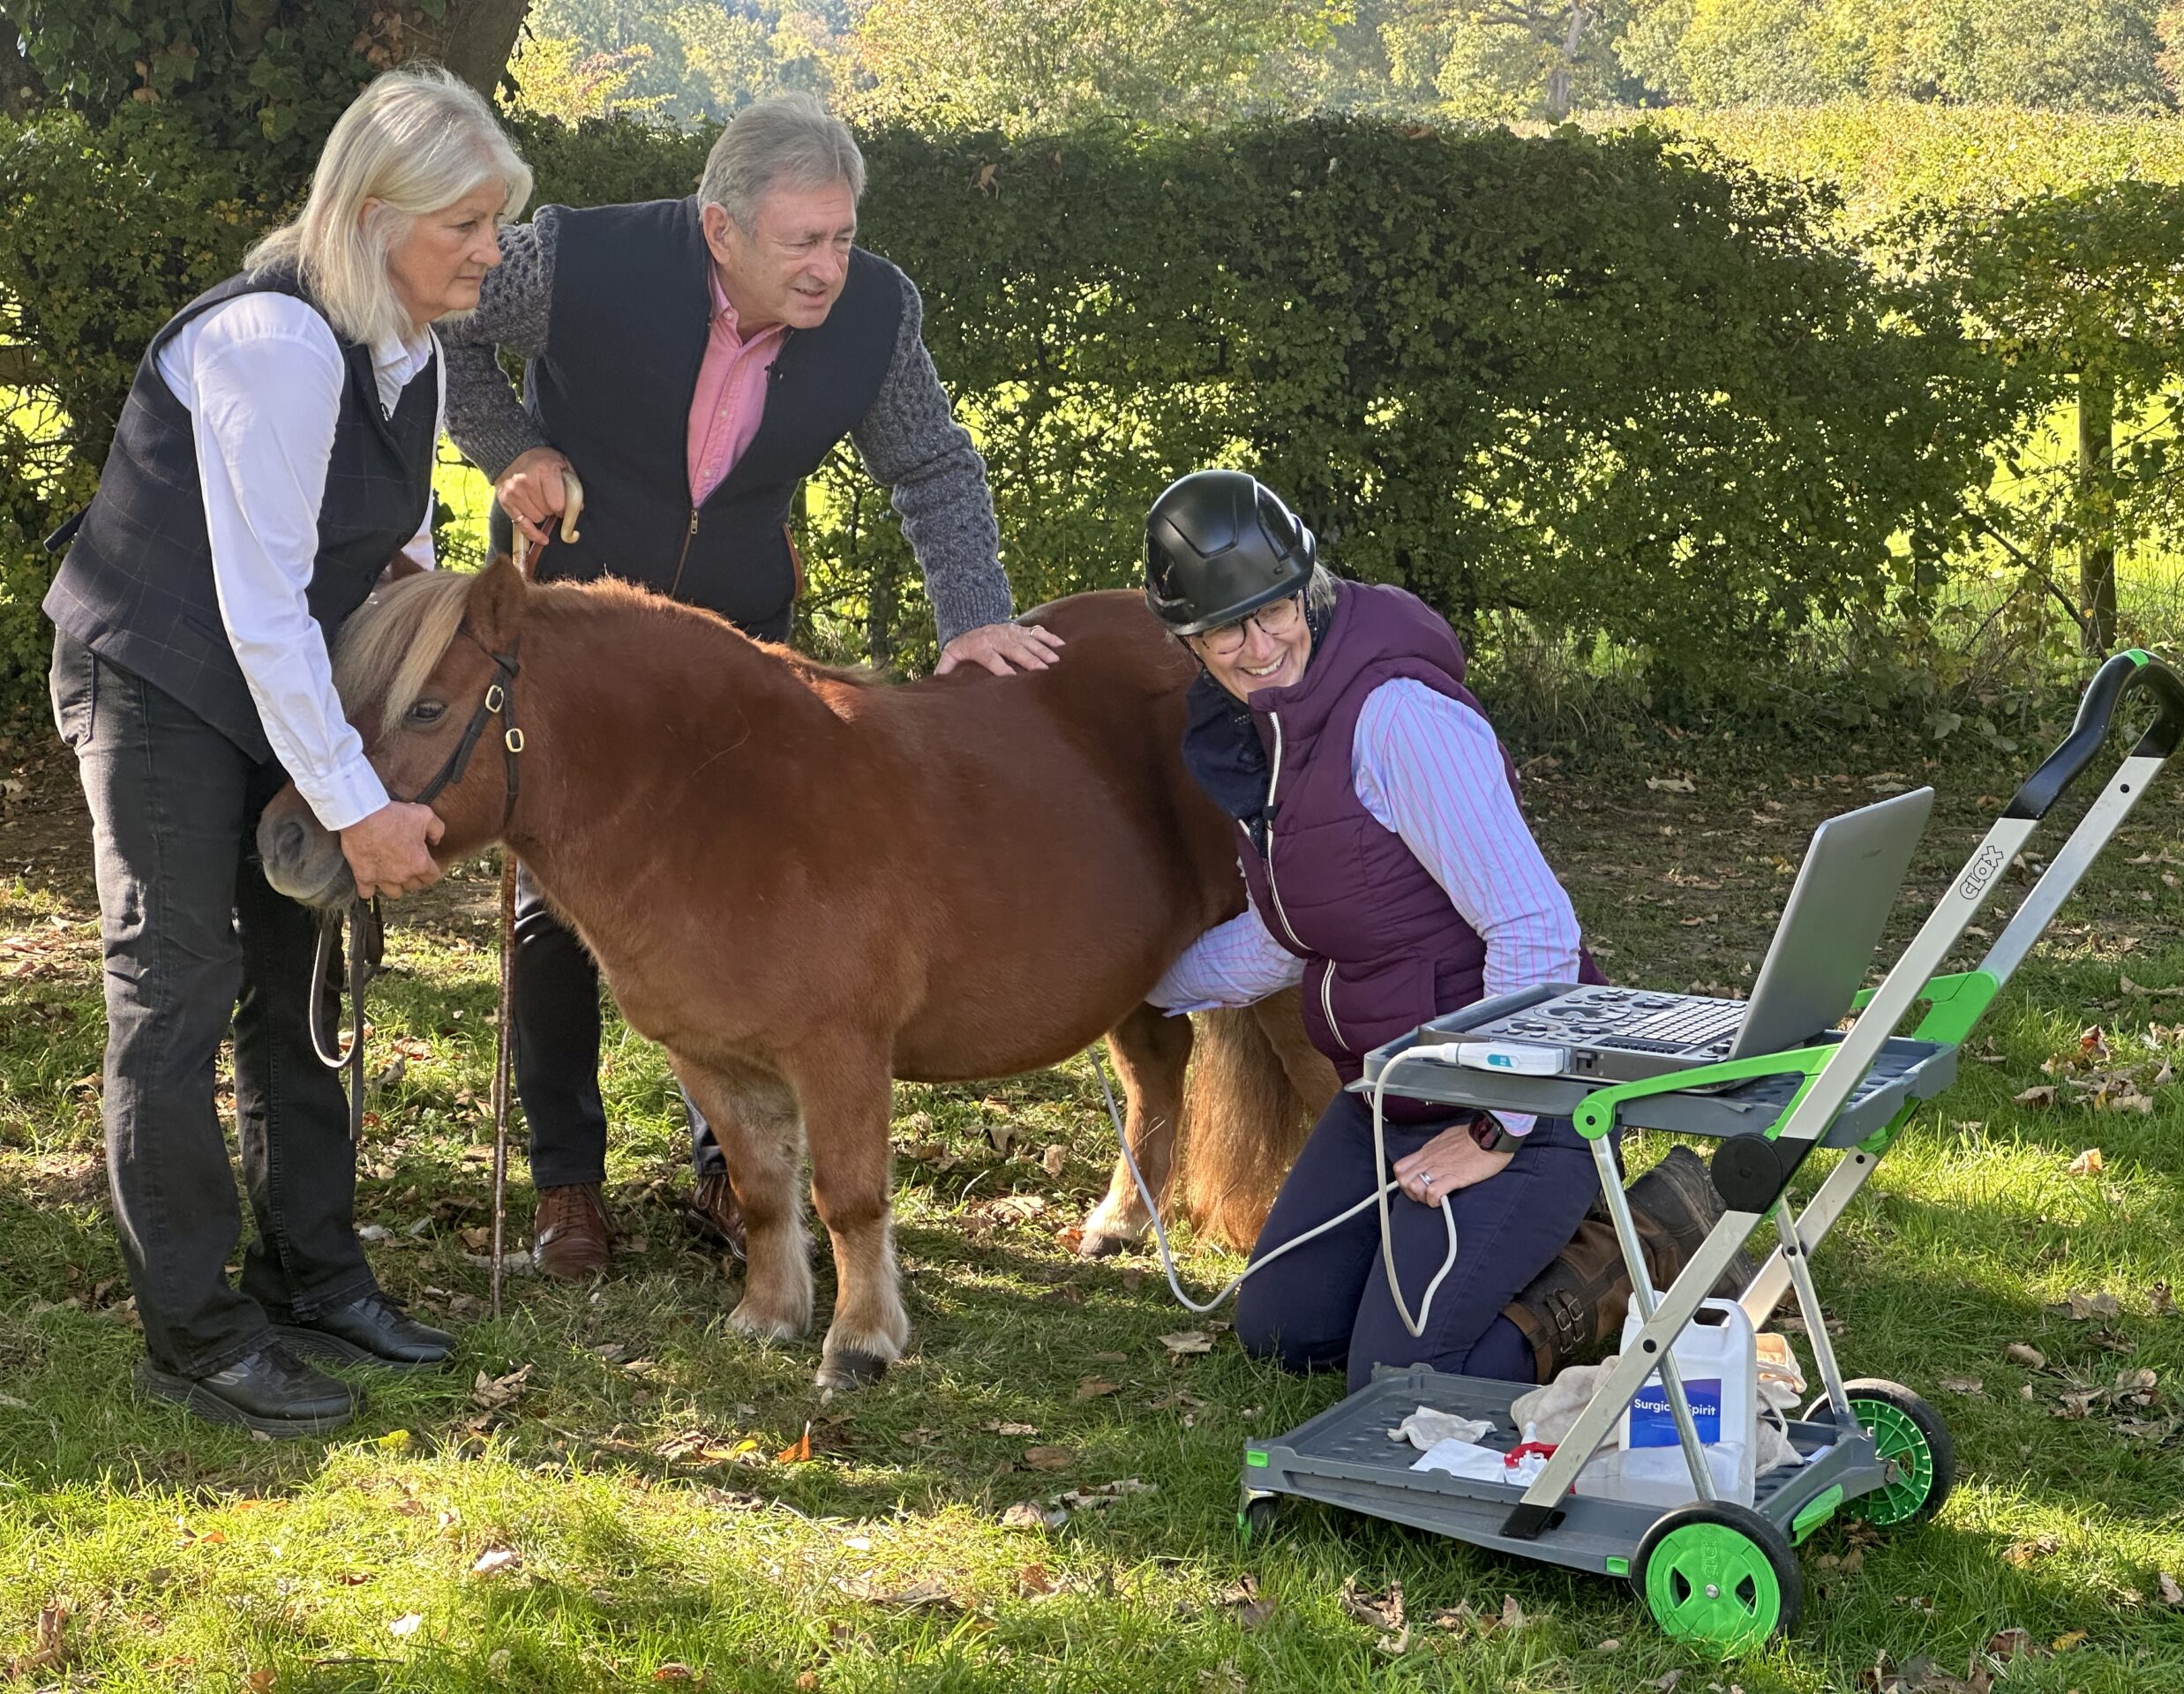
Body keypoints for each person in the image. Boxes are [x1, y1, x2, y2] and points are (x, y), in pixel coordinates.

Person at [439, 94, 1060, 1281]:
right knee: (555, 910)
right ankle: (569, 1187)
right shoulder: (574, 261)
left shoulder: (877, 313)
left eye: (842, 236)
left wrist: (976, 618)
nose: (829, 267)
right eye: (801, 242)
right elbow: (440, 307)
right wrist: (510, 447)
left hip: (736, 645)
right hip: (574, 642)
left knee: (743, 896)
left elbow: (932, 465)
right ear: (719, 229)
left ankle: (730, 1173)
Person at [41, 68, 531, 1435]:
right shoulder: (273, 343)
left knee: (299, 969)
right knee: (176, 987)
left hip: (276, 677)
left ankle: (314, 1276)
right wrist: (357, 806)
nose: (492, 253)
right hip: (156, 677)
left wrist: (417, 713)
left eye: (495, 224)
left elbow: (385, 563)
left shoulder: (414, 353)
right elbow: (261, 605)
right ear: (376, 217)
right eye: (467, 225)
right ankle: (193, 1336)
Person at [1142, 469, 1731, 1389]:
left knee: (1403, 1377)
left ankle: (1656, 1235)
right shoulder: (1268, 731)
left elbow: (1534, 927)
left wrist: (1497, 1130)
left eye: (1275, 610)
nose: (1259, 646)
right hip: (1395, 1090)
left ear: (1307, 591)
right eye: (1227, 629)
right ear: (1189, 641)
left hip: (1529, 1097)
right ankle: (1462, 1262)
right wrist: (1130, 982)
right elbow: (1289, 932)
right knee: (1284, 1334)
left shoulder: (1397, 718)